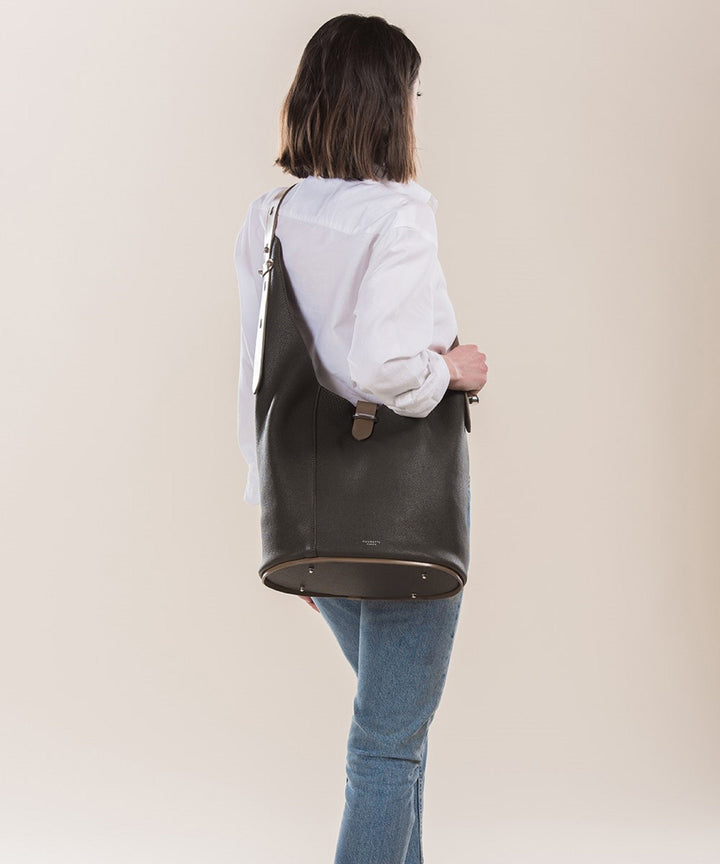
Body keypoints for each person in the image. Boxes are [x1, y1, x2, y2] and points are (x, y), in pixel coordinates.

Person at [234, 14, 488, 864]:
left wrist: (283, 517)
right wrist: (454, 371)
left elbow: (261, 377)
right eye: (411, 94)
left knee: (396, 745)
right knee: (386, 749)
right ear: (387, 105)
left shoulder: (269, 217)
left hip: (317, 512)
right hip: (408, 524)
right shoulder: (400, 217)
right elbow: (385, 365)